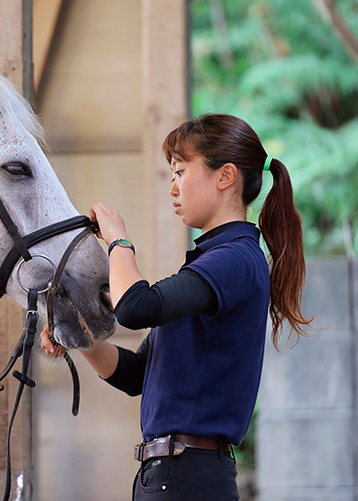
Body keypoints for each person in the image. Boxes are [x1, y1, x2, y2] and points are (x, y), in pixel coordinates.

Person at [41, 113, 312, 500]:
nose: (173, 188)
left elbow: (134, 307)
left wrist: (119, 241)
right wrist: (79, 337)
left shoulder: (233, 260)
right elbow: (138, 375)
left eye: (180, 172)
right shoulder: (213, 262)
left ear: (225, 176)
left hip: (188, 476)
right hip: (173, 474)